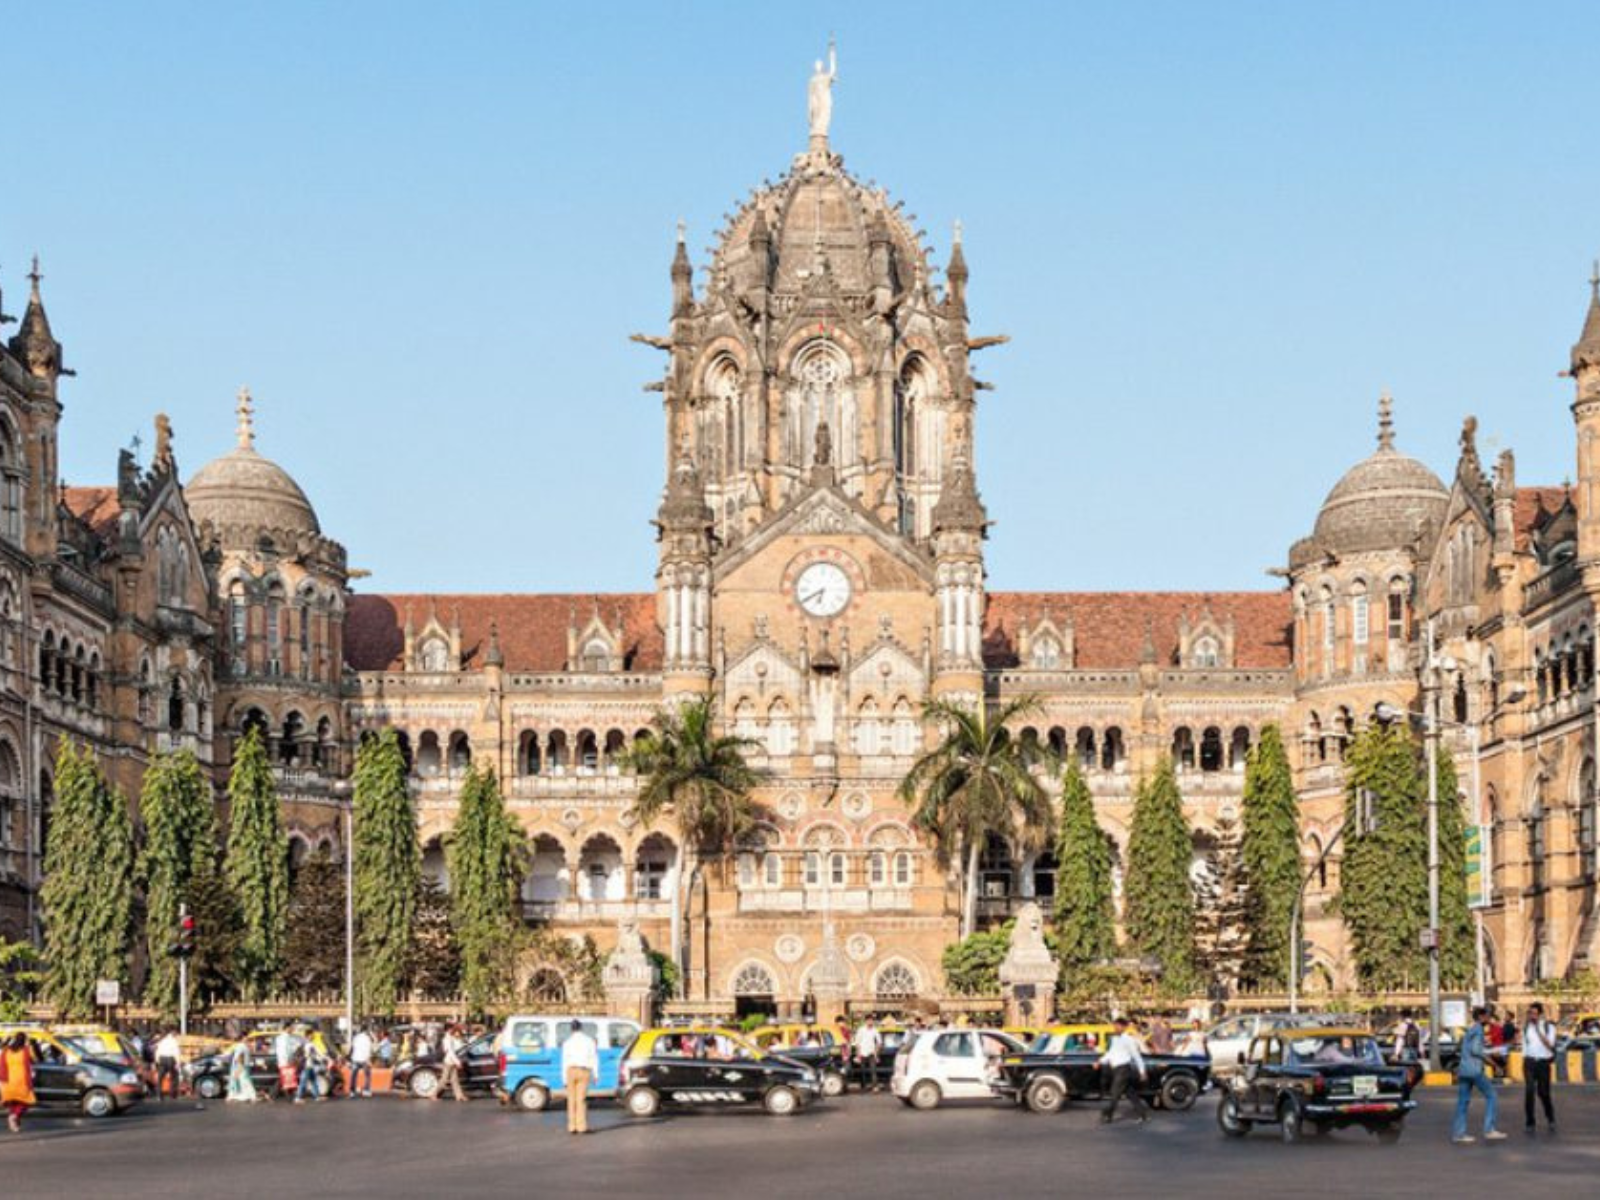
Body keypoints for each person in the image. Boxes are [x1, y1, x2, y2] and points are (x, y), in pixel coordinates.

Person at [1452, 1006, 1509, 1144]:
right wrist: (1493, 1064)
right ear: (1481, 1017)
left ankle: (1459, 1133)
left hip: (1464, 1069)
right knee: (1492, 1095)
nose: (1489, 1019)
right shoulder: (1478, 1030)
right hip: (1474, 1069)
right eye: (1487, 1016)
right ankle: (1489, 1129)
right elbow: (1476, 1050)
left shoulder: (1470, 1029)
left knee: (1463, 1101)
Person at [1097, 1017, 1149, 1125]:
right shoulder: (1114, 1039)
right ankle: (1143, 1115)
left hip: (1123, 1069)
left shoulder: (1129, 1040)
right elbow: (1111, 1053)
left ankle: (1107, 1114)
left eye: (1117, 1026)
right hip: (1116, 1070)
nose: (1115, 1028)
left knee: (1114, 1093)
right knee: (1131, 1094)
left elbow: (1136, 1056)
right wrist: (1100, 1061)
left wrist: (1142, 1071)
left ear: (1124, 1027)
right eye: (1114, 1026)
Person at [1521, 1002, 1558, 1134]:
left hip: (1543, 1063)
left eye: (1535, 1014)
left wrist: (1538, 1030)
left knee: (1543, 1093)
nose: (1532, 1016)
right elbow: (1525, 1046)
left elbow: (1550, 1045)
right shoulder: (1526, 1028)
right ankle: (1530, 1121)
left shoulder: (1549, 1027)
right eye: (1530, 1013)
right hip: (1529, 1062)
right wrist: (1525, 1060)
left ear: (1540, 1014)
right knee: (1529, 1091)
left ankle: (1550, 1116)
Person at [562, 1022, 599, 1135]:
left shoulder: (567, 1042)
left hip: (571, 1070)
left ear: (571, 1029)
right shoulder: (589, 1041)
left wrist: (564, 1078)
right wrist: (596, 1074)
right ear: (581, 1028)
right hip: (584, 1070)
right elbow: (594, 1058)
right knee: (581, 1099)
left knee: (571, 1099)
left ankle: (572, 1126)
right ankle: (582, 1127)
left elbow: (564, 1060)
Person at [1, 1032, 35, 1133]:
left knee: (14, 1102)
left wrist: (2, 1080)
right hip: (22, 1080)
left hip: (9, 1080)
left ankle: (15, 1123)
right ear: (24, 1040)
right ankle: (14, 1116)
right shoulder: (25, 1051)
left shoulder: (6, 1051)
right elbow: (32, 1061)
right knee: (26, 1101)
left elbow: (2, 1065)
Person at [438, 1025, 467, 1102]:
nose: (452, 1031)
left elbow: (457, 1049)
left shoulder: (452, 1038)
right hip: (449, 1061)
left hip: (452, 1061)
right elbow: (450, 1052)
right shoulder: (448, 1039)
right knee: (444, 1079)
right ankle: (434, 1094)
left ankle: (459, 1096)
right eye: (451, 1029)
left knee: (455, 1080)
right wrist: (458, 1062)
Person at [226, 1035, 258, 1103]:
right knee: (244, 1081)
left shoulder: (243, 1046)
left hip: (241, 1066)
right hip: (241, 1066)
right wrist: (240, 1068)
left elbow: (241, 1057)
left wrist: (240, 1068)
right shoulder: (242, 1046)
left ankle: (250, 1096)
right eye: (245, 1038)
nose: (247, 1039)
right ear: (242, 1039)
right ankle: (250, 1096)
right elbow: (239, 1057)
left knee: (243, 1081)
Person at [853, 1018, 883, 1092]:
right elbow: (857, 1042)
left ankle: (875, 1086)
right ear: (866, 1021)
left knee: (873, 1070)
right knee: (862, 1071)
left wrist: (876, 1052)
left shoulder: (875, 1030)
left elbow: (879, 1042)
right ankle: (863, 1086)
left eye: (871, 1021)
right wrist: (858, 1054)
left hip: (871, 1052)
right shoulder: (861, 1030)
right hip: (862, 1052)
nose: (870, 1022)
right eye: (869, 1020)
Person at [154, 1028, 182, 1102]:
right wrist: (178, 1063)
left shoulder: (162, 1040)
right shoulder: (174, 1041)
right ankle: (173, 1094)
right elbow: (176, 1052)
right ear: (174, 1034)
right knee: (174, 1076)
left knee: (160, 1078)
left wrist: (157, 1061)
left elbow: (157, 1051)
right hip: (170, 1059)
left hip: (162, 1059)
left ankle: (159, 1095)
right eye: (176, 1034)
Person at [349, 1026, 374, 1098]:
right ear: (366, 1031)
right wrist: (368, 1059)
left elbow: (352, 1048)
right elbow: (369, 1050)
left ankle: (352, 1091)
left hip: (355, 1058)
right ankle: (366, 1091)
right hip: (364, 1059)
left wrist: (350, 1058)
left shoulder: (356, 1037)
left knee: (353, 1076)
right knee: (367, 1075)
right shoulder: (367, 1038)